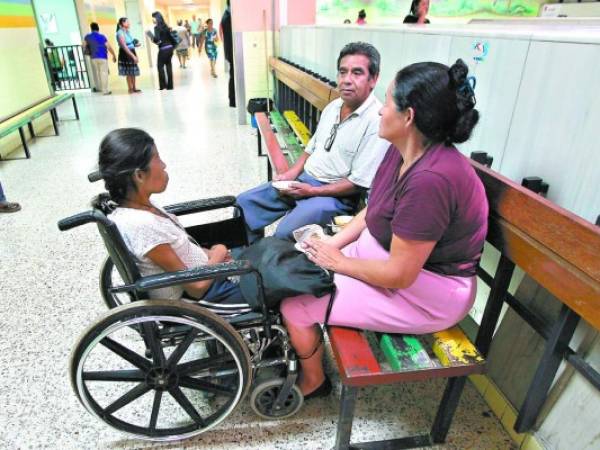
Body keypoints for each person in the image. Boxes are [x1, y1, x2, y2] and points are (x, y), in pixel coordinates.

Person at [280, 59, 488, 398]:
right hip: (383, 261)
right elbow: (372, 211)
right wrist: (333, 243)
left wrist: (339, 262)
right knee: (298, 263)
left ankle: (314, 382)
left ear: (409, 117)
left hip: (425, 294)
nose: (379, 111)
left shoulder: (432, 181)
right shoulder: (402, 150)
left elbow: (399, 275)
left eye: (388, 102)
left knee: (297, 303)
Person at [237, 42, 389, 242]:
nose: (346, 80)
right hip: (304, 181)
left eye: (357, 73)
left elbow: (357, 183)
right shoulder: (333, 107)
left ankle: (270, 265)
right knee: (244, 204)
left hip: (333, 197)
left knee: (285, 233)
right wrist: (292, 173)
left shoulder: (375, 121)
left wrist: (312, 192)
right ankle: (245, 263)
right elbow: (312, 147)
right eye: (342, 72)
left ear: (373, 79)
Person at [92, 128, 246, 304]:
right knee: (275, 284)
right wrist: (218, 254)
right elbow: (196, 288)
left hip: (210, 271)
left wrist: (210, 253)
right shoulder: (143, 226)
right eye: (157, 158)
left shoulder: (140, 206)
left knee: (270, 259)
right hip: (207, 295)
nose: (164, 165)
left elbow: (181, 248)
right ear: (139, 175)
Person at [83, 22, 117, 95]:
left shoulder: (87, 37)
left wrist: (87, 51)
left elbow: (83, 46)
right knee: (104, 73)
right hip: (102, 57)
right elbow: (109, 47)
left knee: (97, 73)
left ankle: (98, 88)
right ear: (98, 28)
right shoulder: (102, 37)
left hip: (93, 58)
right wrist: (114, 55)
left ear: (91, 29)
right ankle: (105, 90)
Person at [147, 11, 176, 90]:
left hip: (163, 49)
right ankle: (170, 86)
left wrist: (151, 36)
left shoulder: (156, 27)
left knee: (160, 66)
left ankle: (163, 86)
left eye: (153, 18)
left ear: (157, 18)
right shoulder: (166, 26)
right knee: (168, 66)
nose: (152, 20)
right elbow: (169, 37)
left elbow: (158, 40)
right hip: (170, 48)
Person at [116, 17, 141, 93]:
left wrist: (136, 45)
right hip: (125, 53)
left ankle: (134, 87)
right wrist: (133, 56)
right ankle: (130, 88)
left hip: (131, 51)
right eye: (127, 22)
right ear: (122, 24)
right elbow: (124, 46)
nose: (129, 23)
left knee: (132, 71)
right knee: (128, 72)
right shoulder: (120, 33)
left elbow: (130, 43)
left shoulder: (127, 32)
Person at [220, 0, 235, 107]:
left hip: (230, 51)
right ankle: (233, 101)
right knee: (233, 76)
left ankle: (233, 100)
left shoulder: (227, 14)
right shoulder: (228, 17)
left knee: (233, 75)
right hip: (231, 51)